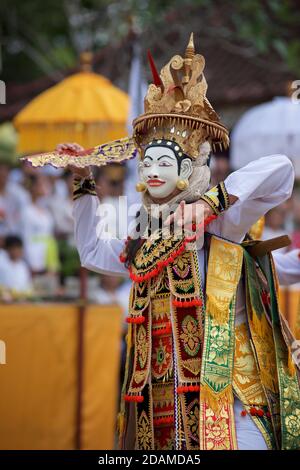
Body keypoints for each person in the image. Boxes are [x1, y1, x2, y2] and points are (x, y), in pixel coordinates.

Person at [27, 34, 300, 450]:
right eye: (147, 161)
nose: (152, 170)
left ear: (187, 170)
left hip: (229, 398)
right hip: (165, 406)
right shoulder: (142, 240)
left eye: (164, 162)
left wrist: (210, 202)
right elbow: (91, 251)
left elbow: (280, 171)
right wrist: (83, 179)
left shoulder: (220, 223)